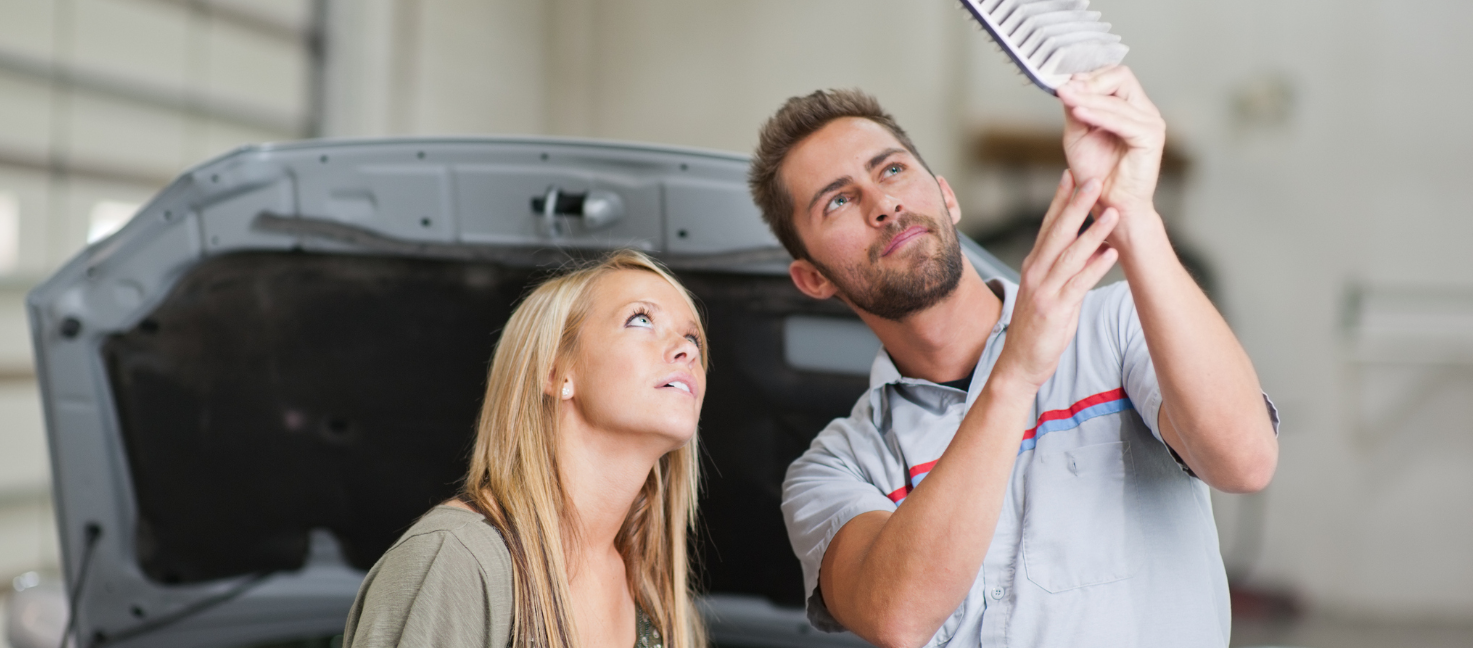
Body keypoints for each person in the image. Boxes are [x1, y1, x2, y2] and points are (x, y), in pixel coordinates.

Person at [750, 67, 1280, 647]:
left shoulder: (1119, 325)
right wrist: (1016, 372)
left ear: (946, 196)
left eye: (893, 169)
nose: (884, 204)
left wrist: (1133, 216)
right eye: (839, 202)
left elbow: (1245, 461)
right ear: (812, 279)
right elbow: (896, 616)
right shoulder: (836, 467)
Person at [343, 250, 709, 648]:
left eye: (692, 338)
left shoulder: (655, 600)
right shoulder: (457, 559)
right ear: (554, 372)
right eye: (641, 320)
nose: (686, 350)